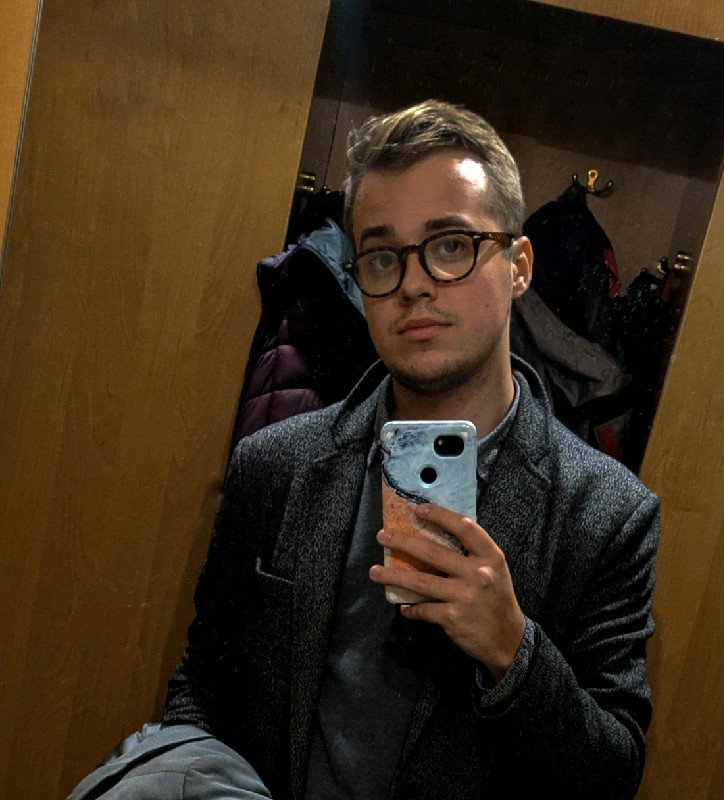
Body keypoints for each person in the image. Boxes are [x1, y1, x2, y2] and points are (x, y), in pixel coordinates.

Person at [160, 99, 660, 800]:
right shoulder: (274, 466)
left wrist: (513, 652)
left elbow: (610, 777)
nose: (414, 283)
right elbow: (203, 688)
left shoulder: (607, 515)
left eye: (450, 245)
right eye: (382, 256)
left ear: (519, 265)